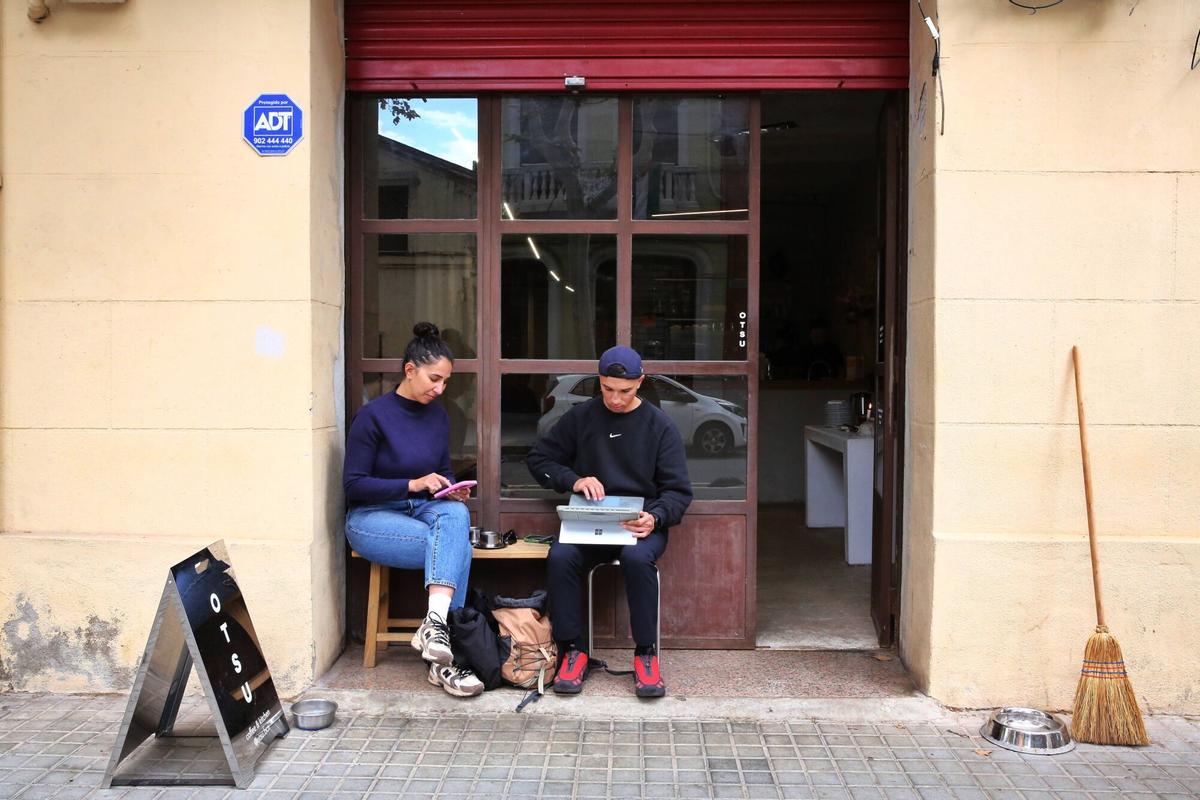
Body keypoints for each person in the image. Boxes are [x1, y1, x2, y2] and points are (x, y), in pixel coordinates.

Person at [527, 345, 693, 698]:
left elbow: (679, 493)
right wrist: (574, 480)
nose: (615, 399)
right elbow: (539, 459)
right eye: (607, 389)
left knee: (636, 559)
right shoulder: (581, 418)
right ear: (599, 382)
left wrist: (656, 517)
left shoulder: (659, 426)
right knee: (561, 556)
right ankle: (574, 650)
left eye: (625, 391)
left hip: (639, 525)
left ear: (640, 383)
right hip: (589, 520)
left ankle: (646, 654)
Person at [343, 322, 483, 698]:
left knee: (455, 519)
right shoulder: (372, 416)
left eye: (446, 382)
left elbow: (444, 471)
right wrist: (413, 484)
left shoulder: (438, 415)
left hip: (424, 511)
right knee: (455, 546)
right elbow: (353, 485)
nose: (441, 389)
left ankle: (434, 626)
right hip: (371, 518)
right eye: (434, 379)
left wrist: (451, 490)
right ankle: (446, 663)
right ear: (410, 370)